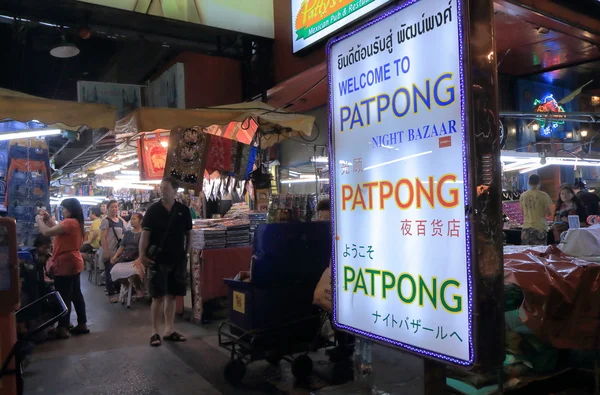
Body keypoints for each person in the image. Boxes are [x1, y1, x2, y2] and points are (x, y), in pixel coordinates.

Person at [140, 177, 192, 347]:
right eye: (161, 188)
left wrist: (187, 252)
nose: (162, 191)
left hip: (177, 259)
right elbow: (145, 235)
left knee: (172, 295)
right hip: (158, 260)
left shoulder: (183, 210)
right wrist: (142, 255)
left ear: (175, 190)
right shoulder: (153, 210)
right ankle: (155, 331)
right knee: (157, 296)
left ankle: (169, 329)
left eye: (166, 188)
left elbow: (189, 233)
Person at [36, 198, 89, 339]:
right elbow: (57, 230)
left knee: (63, 295)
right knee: (76, 294)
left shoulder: (69, 222)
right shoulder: (76, 223)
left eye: (64, 208)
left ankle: (63, 327)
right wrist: (48, 219)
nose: (63, 211)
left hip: (65, 263)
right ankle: (82, 323)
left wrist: (39, 220)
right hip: (74, 261)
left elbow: (47, 232)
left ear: (69, 210)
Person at [109, 213, 145, 301]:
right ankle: (129, 287)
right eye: (131, 219)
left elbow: (145, 249)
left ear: (140, 221)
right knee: (115, 271)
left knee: (136, 271)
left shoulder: (144, 234)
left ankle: (137, 288)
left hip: (138, 258)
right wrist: (115, 256)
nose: (132, 221)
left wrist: (139, 258)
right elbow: (122, 247)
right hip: (126, 258)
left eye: (134, 219)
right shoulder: (128, 233)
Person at [101, 200, 126, 303]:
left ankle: (118, 292)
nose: (114, 209)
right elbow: (103, 237)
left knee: (118, 273)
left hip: (119, 252)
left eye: (116, 207)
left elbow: (126, 231)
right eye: (112, 207)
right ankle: (111, 294)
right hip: (110, 251)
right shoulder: (105, 221)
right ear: (108, 208)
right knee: (109, 272)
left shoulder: (120, 221)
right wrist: (106, 252)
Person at [519, 174, 552, 245]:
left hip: (526, 228)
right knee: (539, 253)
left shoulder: (523, 196)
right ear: (540, 183)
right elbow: (548, 212)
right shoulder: (544, 195)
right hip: (540, 228)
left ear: (528, 183)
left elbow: (522, 212)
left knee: (527, 253)